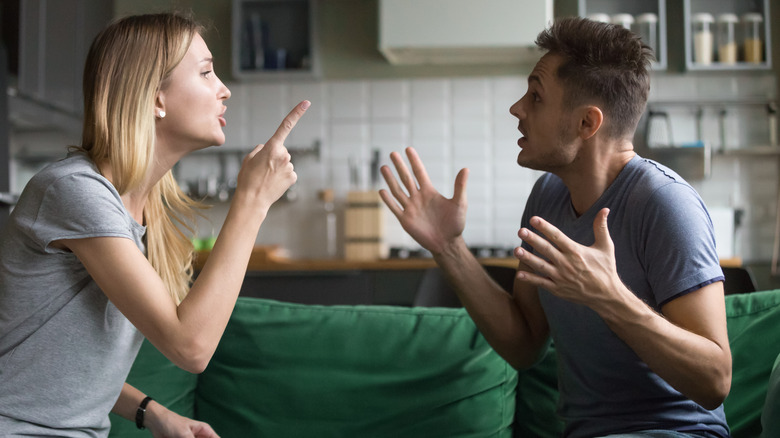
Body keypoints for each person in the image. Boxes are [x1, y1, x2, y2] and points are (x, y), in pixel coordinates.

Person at [380, 17, 731, 438]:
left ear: (587, 124)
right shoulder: (547, 197)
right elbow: (525, 342)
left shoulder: (665, 204)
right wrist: (448, 247)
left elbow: (715, 381)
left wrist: (611, 298)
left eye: (536, 96)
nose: (517, 109)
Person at [0, 12, 309, 437]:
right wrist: (252, 200)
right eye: (206, 73)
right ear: (155, 98)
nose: (225, 90)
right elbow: (191, 348)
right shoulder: (74, 190)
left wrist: (152, 412)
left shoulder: (139, 210)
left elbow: (60, 358)